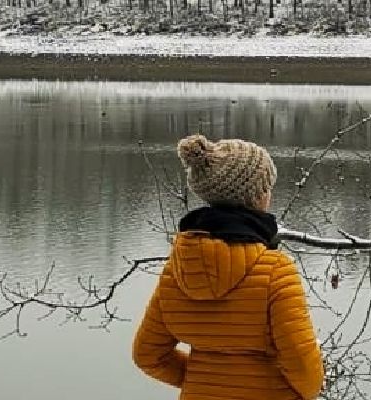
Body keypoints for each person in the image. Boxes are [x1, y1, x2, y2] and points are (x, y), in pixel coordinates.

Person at [133, 135, 324, 400]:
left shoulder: (178, 270)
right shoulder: (276, 271)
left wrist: (202, 380)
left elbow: (148, 355)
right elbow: (303, 367)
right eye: (267, 186)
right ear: (257, 196)